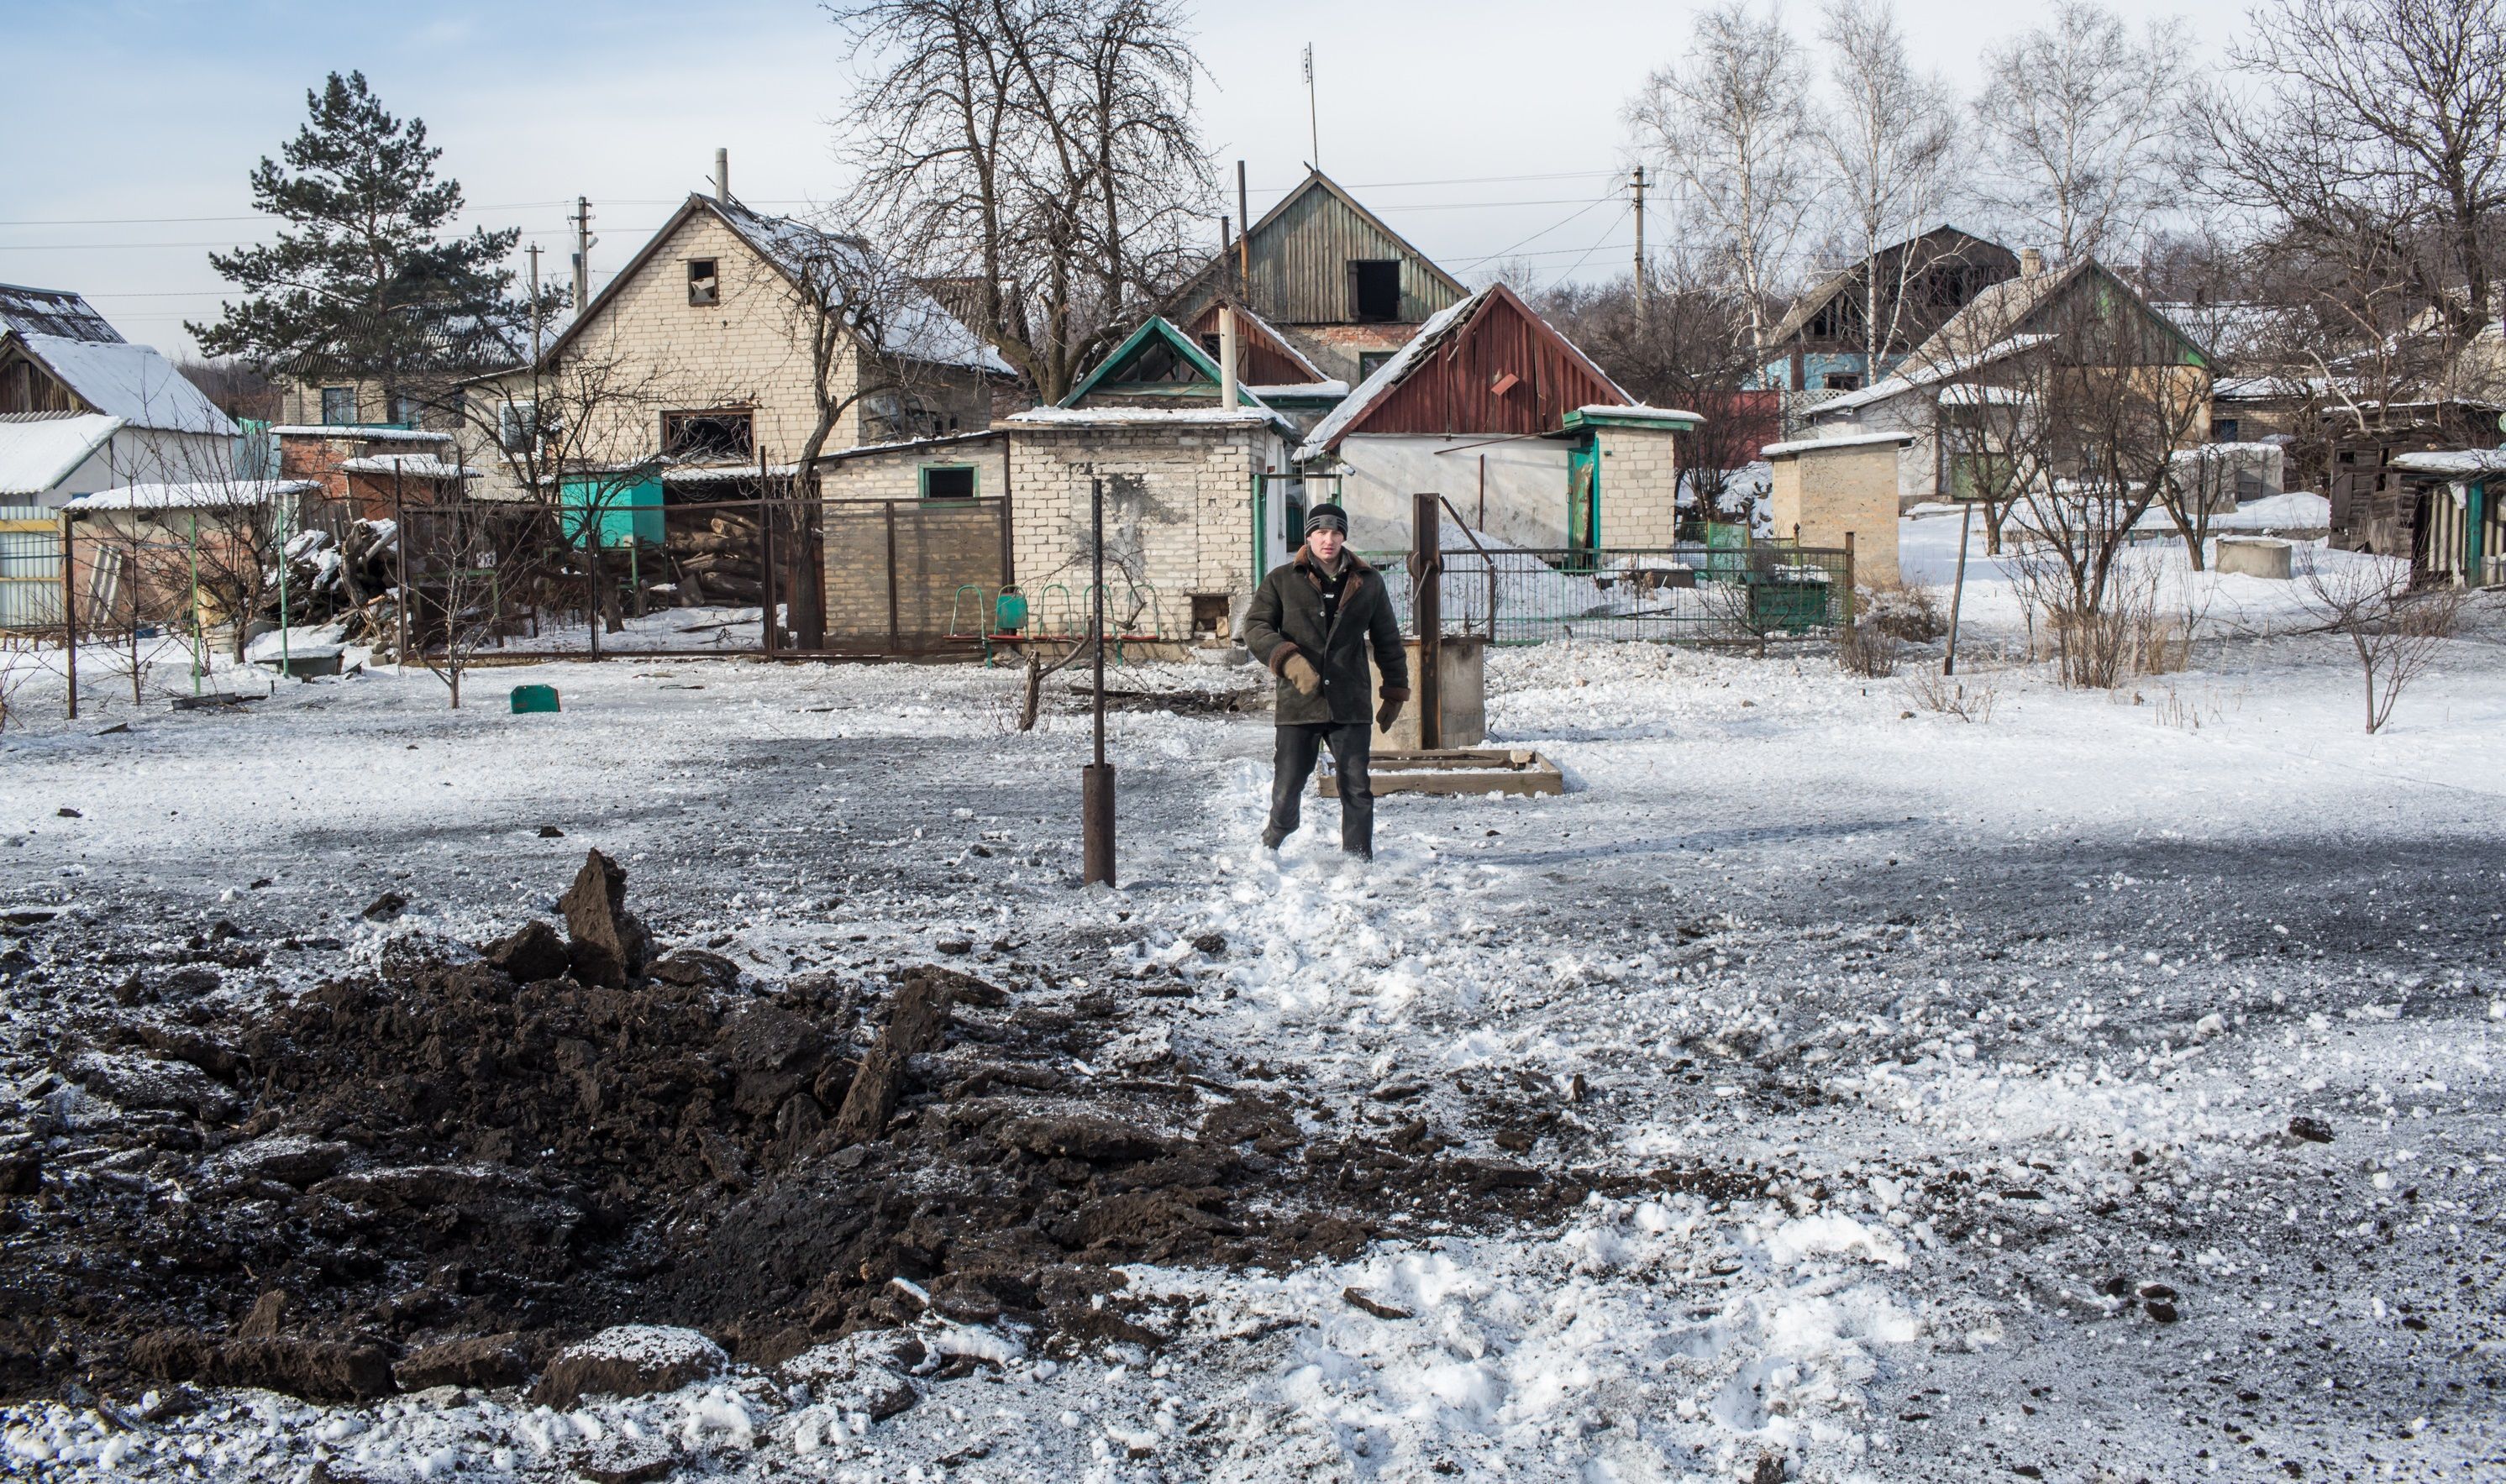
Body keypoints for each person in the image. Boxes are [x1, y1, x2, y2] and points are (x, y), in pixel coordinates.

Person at [1241, 503, 1409, 858]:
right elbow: (1255, 627)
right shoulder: (1282, 579)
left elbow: (1388, 640)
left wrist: (1394, 690)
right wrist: (1288, 660)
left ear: (1344, 536)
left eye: (1335, 532)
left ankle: (1358, 858)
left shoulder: (1368, 583)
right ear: (1309, 537)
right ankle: (1276, 835)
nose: (1328, 540)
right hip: (1299, 702)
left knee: (1357, 789)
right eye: (1320, 532)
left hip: (1350, 702)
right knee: (1287, 788)